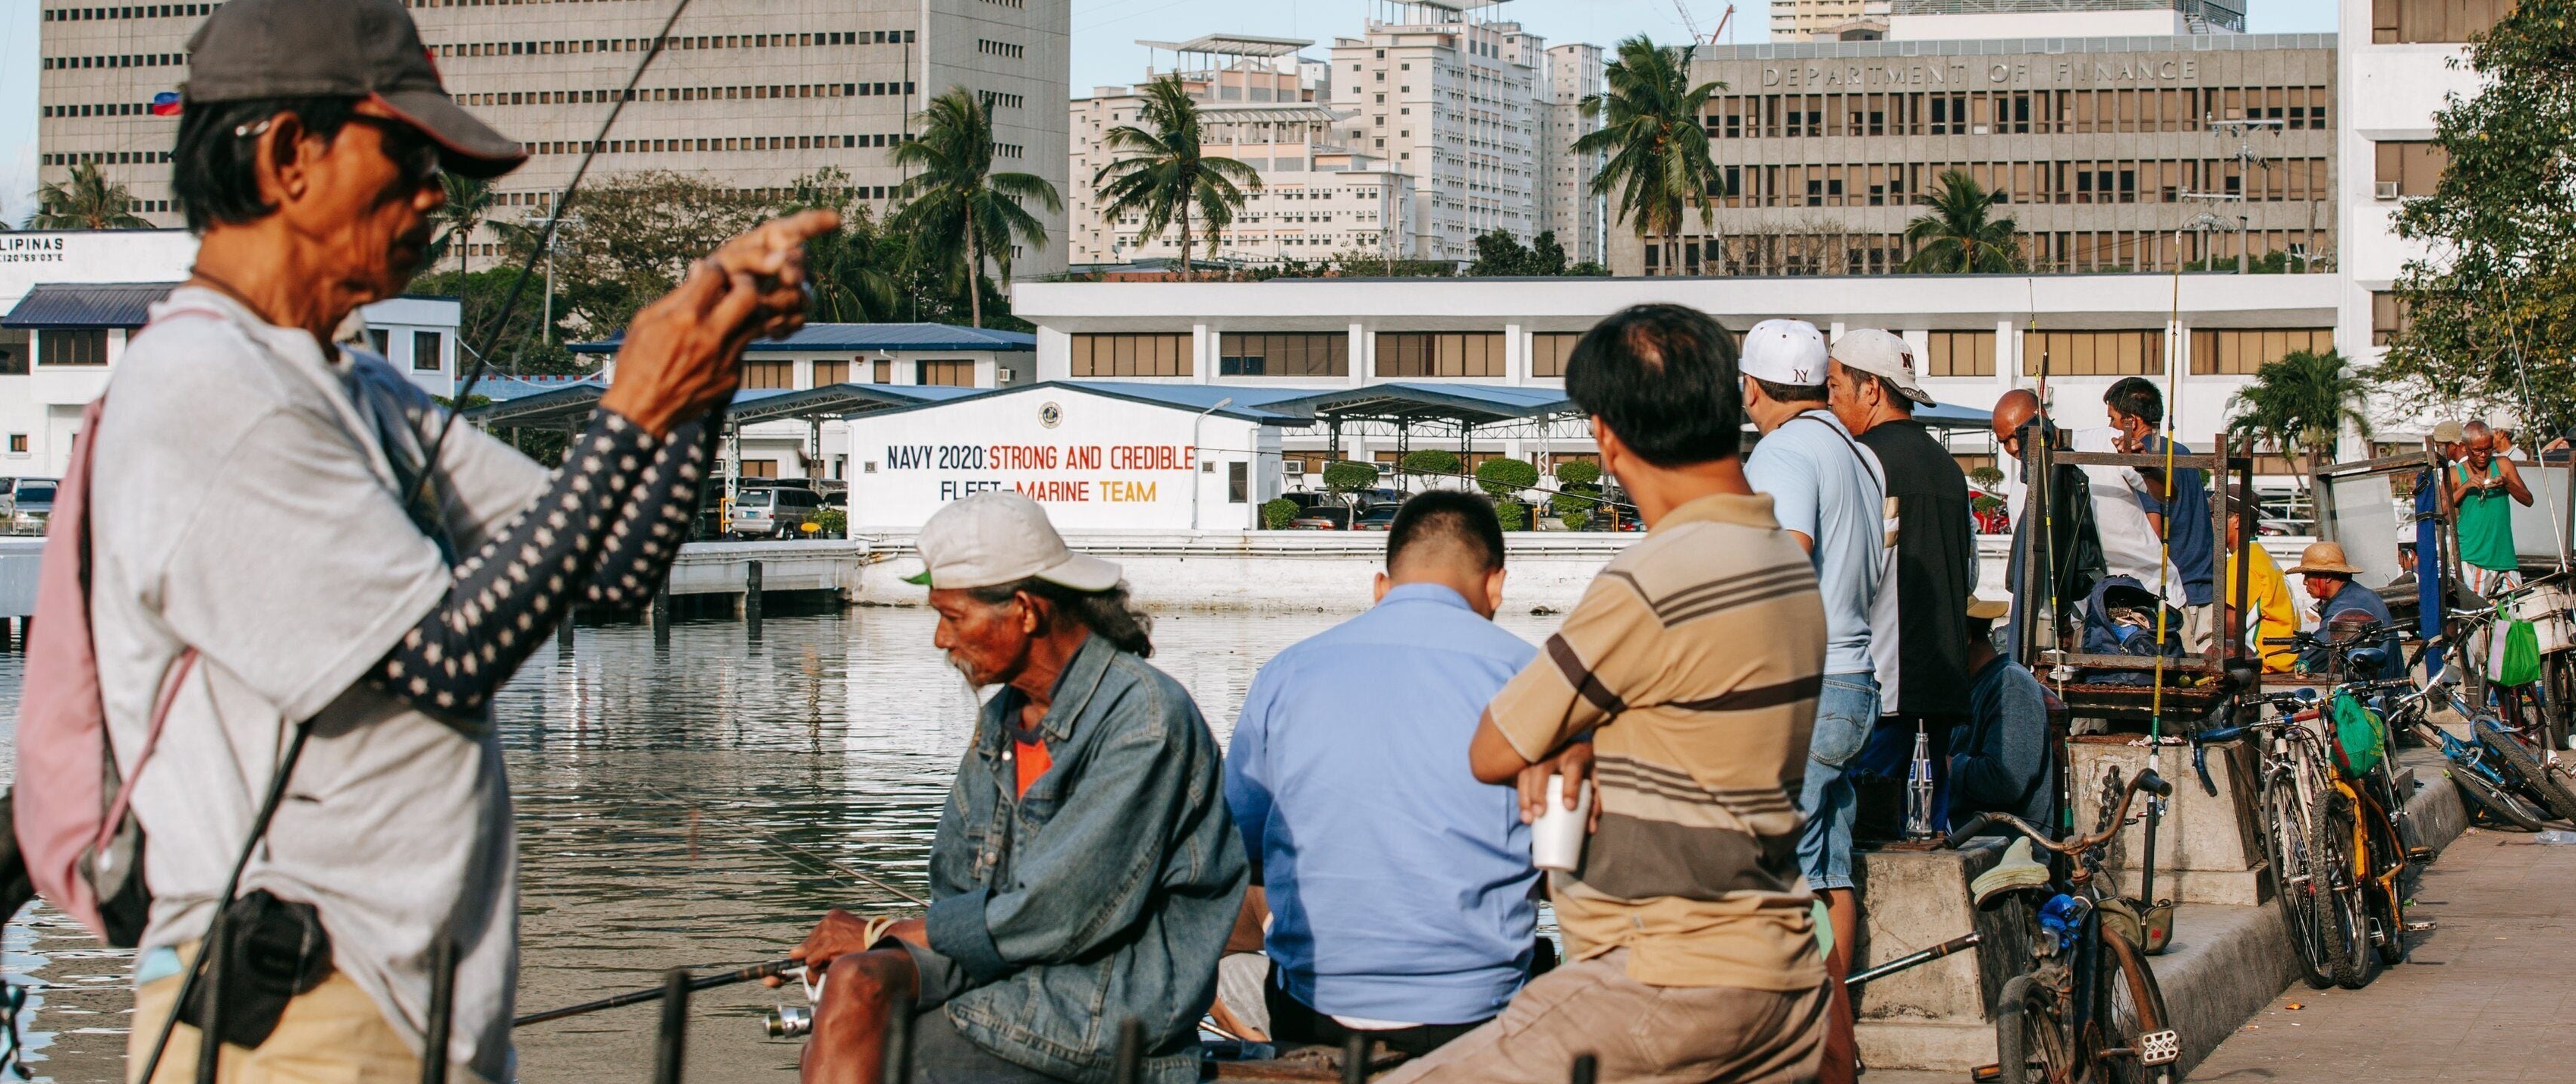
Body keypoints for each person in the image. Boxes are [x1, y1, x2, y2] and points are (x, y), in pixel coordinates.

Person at [71, 0, 824, 1084]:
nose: (435, 197)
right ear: (288, 157)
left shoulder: (356, 385)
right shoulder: (203, 390)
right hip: (297, 1014)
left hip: (411, 1004)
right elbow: (444, 657)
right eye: (409, 161)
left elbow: (607, 573)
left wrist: (702, 380)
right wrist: (630, 412)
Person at [1395, 303, 1828, 1084]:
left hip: (1668, 975)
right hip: (1780, 970)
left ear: (1605, 435)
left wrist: (1562, 742)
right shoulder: (1780, 560)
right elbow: (1691, 708)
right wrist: (1590, 742)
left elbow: (1494, 749)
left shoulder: (1658, 574)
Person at [782, 493, 1244, 1084]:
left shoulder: (1145, 717)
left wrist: (881, 931)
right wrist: (873, 951)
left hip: (1104, 1006)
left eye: (952, 617)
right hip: (1008, 974)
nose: (941, 641)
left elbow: (1061, 912)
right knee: (855, 984)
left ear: (1024, 610)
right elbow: (956, 890)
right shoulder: (1003, 720)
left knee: (895, 1053)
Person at [1223, 492, 1537, 1061]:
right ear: (1497, 586)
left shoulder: (1286, 673)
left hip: (1315, 1008)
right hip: (1475, 1011)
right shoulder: (1532, 677)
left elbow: (1239, 847)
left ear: (1380, 588)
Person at [1734, 319, 1884, 1081]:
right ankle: (1836, 1055)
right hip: (1855, 684)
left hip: (1805, 689)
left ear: (1752, 389)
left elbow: (1787, 557)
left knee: (1759, 876)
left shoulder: (1783, 450)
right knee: (1828, 874)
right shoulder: (1855, 453)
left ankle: (1798, 1053)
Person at [1826, 329, 1973, 840]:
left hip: (1881, 686)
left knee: (1866, 838)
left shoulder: (1862, 460)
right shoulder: (1950, 471)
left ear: (1871, 390)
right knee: (1928, 836)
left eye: (1834, 385)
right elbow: (1971, 574)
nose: (1830, 399)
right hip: (1943, 687)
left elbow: (1852, 569)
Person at [2102, 377, 2216, 651]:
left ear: (2132, 421)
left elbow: (2152, 536)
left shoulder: (2143, 460)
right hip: (2204, 586)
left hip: (2176, 597)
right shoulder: (2180, 451)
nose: (2109, 428)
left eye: (2113, 419)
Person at [1990, 388, 2103, 636]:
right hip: (2060, 622)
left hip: (2115, 605)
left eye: (2016, 435)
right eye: (2003, 442)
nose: (2011, 447)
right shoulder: (2019, 491)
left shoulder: (2097, 447)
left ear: (2040, 417)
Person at [1945, 587, 2055, 831]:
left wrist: (1946, 765)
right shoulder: (1969, 689)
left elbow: (2006, 780)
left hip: (2008, 852)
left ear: (1965, 636)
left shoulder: (2011, 684)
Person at [2441, 419, 2534, 590]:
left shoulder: (2503, 464)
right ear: (2465, 447)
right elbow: (2441, 510)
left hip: (2505, 558)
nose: (2483, 455)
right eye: (2477, 450)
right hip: (2473, 559)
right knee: (2478, 615)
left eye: (2488, 449)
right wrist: (2466, 486)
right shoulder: (2455, 473)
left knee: (2513, 614)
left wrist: (2507, 483)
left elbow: (2528, 500)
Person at [2286, 542, 2396, 677]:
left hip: (2377, 691)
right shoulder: (2357, 594)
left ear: (2327, 577)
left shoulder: (2344, 607)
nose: (2304, 581)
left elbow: (2310, 660)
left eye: (2308, 575)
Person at [2228, 490, 2301, 673]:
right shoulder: (2261, 555)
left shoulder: (2243, 561)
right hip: (2283, 659)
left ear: (2236, 520)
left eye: (2215, 516)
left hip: (2263, 664)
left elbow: (2229, 626)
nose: (2211, 523)